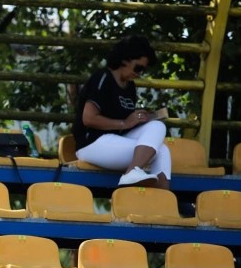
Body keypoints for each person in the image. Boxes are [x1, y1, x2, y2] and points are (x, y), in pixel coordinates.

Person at [73, 34, 172, 189]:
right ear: (125, 60)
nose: (139, 73)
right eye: (138, 67)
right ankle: (131, 173)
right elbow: (88, 118)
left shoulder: (130, 86)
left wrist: (140, 119)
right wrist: (125, 122)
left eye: (143, 70)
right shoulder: (103, 77)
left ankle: (165, 201)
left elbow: (126, 123)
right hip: (92, 143)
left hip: (115, 139)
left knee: (160, 134)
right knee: (158, 151)